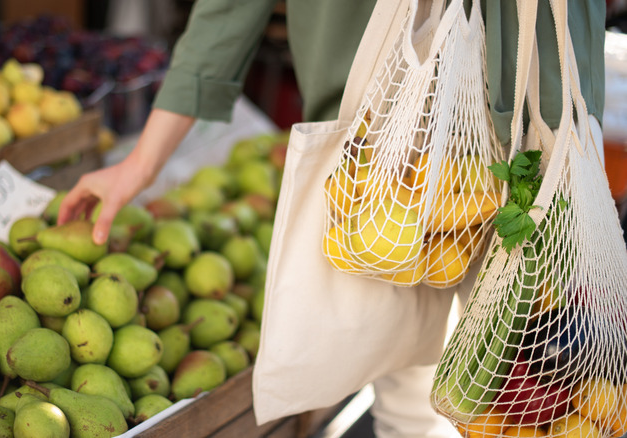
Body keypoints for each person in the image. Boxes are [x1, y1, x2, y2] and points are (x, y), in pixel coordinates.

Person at [58, 1, 605, 436]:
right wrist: (142, 161)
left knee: (547, 390)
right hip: (388, 140)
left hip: (540, 119)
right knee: (412, 392)